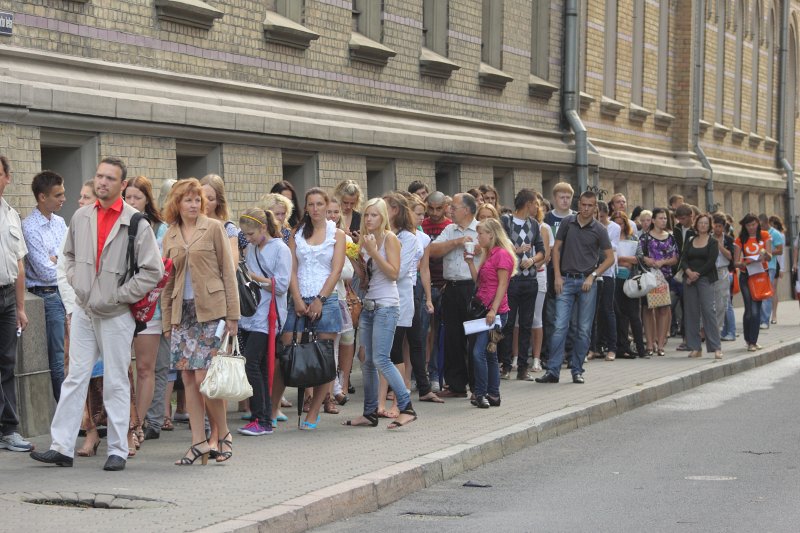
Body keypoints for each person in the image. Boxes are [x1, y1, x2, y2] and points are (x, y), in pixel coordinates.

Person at [30, 157, 163, 471]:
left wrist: (119, 295)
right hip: (85, 311)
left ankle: (117, 448)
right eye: (99, 176)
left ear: (122, 184)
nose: (102, 182)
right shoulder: (81, 216)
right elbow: (70, 257)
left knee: (116, 379)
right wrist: (79, 284)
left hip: (117, 313)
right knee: (75, 377)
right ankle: (62, 447)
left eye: (110, 178)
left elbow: (153, 271)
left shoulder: (136, 222)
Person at [161, 178, 239, 465]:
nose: (194, 204)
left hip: (212, 310)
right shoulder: (170, 235)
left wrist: (233, 315)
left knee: (206, 376)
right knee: (187, 378)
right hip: (183, 312)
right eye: (188, 200)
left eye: (197, 200)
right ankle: (198, 442)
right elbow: (167, 282)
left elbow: (228, 273)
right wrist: (168, 322)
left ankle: (224, 433)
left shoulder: (214, 228)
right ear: (177, 204)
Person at [273, 188, 344, 430]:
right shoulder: (297, 233)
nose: (315, 209)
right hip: (299, 297)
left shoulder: (338, 234)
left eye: (319, 204)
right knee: (286, 350)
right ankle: (273, 409)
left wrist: (320, 300)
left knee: (323, 357)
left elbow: (336, 270)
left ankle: (314, 412)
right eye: (310, 204)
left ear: (326, 206)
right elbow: (291, 269)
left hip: (327, 299)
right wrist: (297, 298)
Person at [343, 198, 416, 429]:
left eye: (374, 215)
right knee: (366, 361)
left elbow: (394, 273)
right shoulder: (367, 241)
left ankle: (407, 407)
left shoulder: (390, 239)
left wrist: (373, 252)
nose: (369, 219)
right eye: (366, 215)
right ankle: (370, 412)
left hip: (387, 306)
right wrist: (356, 261)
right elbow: (365, 281)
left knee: (381, 359)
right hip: (369, 305)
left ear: (383, 216)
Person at [536, 190, 613, 385]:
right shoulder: (567, 223)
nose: (586, 209)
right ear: (579, 205)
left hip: (588, 282)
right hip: (566, 280)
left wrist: (594, 275)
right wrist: (558, 276)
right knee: (560, 326)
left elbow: (610, 258)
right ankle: (553, 370)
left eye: (590, 205)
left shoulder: (599, 229)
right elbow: (556, 249)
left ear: (595, 207)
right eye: (583, 205)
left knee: (583, 329)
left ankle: (577, 370)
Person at [122, 176, 168, 446]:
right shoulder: (118, 223)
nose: (131, 202)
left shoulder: (160, 229)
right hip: (119, 305)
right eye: (127, 197)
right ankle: (124, 422)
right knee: (120, 368)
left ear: (147, 200)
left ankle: (137, 424)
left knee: (146, 368)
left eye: (137, 197)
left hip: (151, 307)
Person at [236, 208, 291, 436]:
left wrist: (254, 278)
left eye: (250, 234)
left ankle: (262, 418)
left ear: (263, 228)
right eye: (245, 235)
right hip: (251, 314)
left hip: (269, 317)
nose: (247, 239)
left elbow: (282, 285)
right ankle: (263, 417)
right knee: (257, 366)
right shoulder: (251, 248)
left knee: (252, 364)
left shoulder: (280, 249)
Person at [427, 193, 480, 397]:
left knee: (475, 338)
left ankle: (478, 386)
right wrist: (457, 242)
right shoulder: (450, 229)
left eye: (454, 207)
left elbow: (498, 251)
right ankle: (456, 385)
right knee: (452, 338)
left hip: (473, 289)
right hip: (451, 287)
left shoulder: (482, 229)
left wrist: (480, 249)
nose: (450, 211)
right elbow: (432, 250)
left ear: (465, 210)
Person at [22, 170, 67, 401]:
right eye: (58, 195)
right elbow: (44, 272)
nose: (63, 199)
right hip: (47, 295)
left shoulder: (60, 222)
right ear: (42, 197)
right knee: (57, 356)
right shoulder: (30, 227)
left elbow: (72, 257)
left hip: (67, 293)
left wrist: (58, 260)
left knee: (73, 353)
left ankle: (83, 412)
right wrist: (61, 263)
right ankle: (65, 411)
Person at [465, 218, 517, 408]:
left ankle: (480, 393)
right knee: (488, 353)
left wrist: (494, 310)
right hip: (483, 309)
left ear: (491, 234)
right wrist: (470, 262)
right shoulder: (488, 254)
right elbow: (479, 282)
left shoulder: (501, 254)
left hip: (495, 311)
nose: (478, 237)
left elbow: (503, 285)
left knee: (479, 352)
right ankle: (493, 393)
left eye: (481, 234)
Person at [0, 155, 32, 454]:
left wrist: (21, 307)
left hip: (8, 297)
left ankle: (8, 430)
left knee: (7, 364)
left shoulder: (11, 215)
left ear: (7, 178)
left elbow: (19, 265)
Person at [498, 189, 544, 380]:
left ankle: (523, 368)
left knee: (526, 324)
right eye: (536, 203)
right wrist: (516, 251)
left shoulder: (534, 224)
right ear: (528, 204)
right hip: (511, 279)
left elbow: (542, 250)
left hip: (530, 279)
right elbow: (500, 247)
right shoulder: (506, 221)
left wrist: (532, 260)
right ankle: (506, 365)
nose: (537, 207)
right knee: (508, 323)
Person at [380, 193, 419, 417]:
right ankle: (380, 403)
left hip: (399, 300)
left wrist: (378, 261)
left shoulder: (409, 238)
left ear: (394, 210)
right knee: (381, 353)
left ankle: (399, 402)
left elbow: (399, 272)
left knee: (395, 352)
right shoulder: (382, 235)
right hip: (379, 300)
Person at [677, 213, 722, 359]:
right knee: (691, 313)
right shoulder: (690, 240)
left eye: (706, 223)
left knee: (709, 311)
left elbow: (711, 262)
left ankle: (716, 347)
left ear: (710, 226)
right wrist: (689, 272)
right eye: (701, 223)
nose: (703, 225)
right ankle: (695, 347)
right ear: (696, 225)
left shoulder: (713, 242)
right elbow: (683, 258)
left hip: (705, 279)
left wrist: (696, 275)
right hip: (689, 280)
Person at [420, 191, 451, 390]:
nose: (434, 212)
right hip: (425, 283)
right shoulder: (421, 225)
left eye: (438, 208)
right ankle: (420, 373)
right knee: (422, 332)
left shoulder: (449, 226)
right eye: (430, 208)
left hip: (444, 283)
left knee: (440, 332)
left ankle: (436, 374)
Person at [640, 208, 679, 357]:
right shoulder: (645, 238)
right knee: (648, 309)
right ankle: (650, 343)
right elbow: (638, 255)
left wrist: (664, 262)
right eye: (660, 218)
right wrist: (646, 259)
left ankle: (661, 344)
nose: (663, 220)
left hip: (665, 278)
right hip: (648, 278)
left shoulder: (670, 237)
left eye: (665, 218)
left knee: (663, 309)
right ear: (654, 220)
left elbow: (676, 258)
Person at [734, 213, 772, 352]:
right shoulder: (740, 240)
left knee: (756, 310)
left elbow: (769, 254)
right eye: (749, 225)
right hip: (746, 276)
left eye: (754, 224)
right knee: (750, 310)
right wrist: (746, 262)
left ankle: (753, 341)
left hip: (761, 275)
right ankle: (749, 340)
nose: (752, 227)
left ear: (758, 223)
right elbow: (736, 263)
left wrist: (765, 256)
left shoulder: (764, 235)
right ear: (745, 226)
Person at [612, 210, 647, 359]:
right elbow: (609, 258)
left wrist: (623, 258)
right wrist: (622, 260)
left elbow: (639, 257)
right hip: (615, 279)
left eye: (621, 223)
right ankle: (623, 347)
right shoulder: (610, 238)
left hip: (631, 279)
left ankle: (641, 349)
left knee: (634, 315)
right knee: (620, 315)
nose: (619, 226)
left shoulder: (633, 237)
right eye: (616, 224)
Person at [588, 202, 619, 361]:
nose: (598, 220)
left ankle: (612, 348)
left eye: (601, 217)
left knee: (608, 309)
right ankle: (592, 347)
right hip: (592, 273)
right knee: (591, 312)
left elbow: (612, 247)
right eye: (596, 217)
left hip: (607, 273)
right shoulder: (590, 227)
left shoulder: (614, 228)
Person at [531, 195, 552, 372]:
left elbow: (546, 255)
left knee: (536, 318)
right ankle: (516, 357)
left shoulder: (543, 228)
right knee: (516, 320)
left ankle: (536, 358)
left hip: (537, 275)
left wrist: (532, 263)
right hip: (521, 275)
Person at [711, 214, 735, 342]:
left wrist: (719, 246)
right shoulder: (708, 238)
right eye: (715, 226)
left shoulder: (728, 239)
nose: (717, 229)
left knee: (723, 303)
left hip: (723, 272)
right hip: (710, 272)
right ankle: (712, 329)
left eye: (720, 226)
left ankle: (722, 329)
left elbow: (731, 256)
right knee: (712, 302)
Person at [758, 213, 784, 328]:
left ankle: (765, 320)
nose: (760, 228)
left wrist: (767, 252)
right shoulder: (759, 233)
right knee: (760, 293)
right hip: (759, 265)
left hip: (771, 266)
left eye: (761, 225)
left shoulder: (776, 234)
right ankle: (761, 319)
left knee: (768, 293)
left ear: (766, 223)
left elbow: (780, 251)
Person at [768, 215, 786, 325]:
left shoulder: (780, 235)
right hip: (768, 263)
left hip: (776, 264)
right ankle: (767, 314)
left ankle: (774, 315)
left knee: (773, 290)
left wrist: (782, 268)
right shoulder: (767, 233)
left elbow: (781, 254)